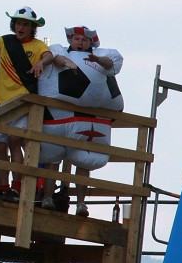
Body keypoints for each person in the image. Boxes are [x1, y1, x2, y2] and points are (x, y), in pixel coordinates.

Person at [38, 26, 124, 217]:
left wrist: (97, 60)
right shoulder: (59, 50)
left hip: (88, 118)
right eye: (77, 39)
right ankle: (47, 197)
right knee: (52, 159)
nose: (80, 42)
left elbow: (111, 64)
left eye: (84, 40)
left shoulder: (102, 56)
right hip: (59, 116)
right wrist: (68, 63)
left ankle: (81, 203)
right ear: (70, 40)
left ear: (90, 43)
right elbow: (54, 57)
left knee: (84, 162)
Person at [0, 7, 53, 203]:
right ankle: (3, 188)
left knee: (14, 141)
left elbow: (48, 55)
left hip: (22, 102)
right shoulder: (4, 40)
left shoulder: (37, 46)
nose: (21, 27)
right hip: (2, 102)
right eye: (18, 23)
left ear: (32, 28)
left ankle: (17, 187)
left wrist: (41, 63)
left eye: (25, 24)